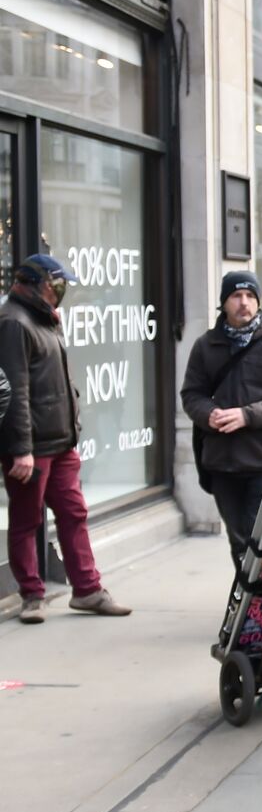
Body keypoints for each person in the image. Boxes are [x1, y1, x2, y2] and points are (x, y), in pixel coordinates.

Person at [0, 255, 131, 624]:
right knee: (27, 521)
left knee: (74, 514)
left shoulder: (44, 318)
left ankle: (88, 590)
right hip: (33, 447)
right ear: (37, 284)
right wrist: (21, 449)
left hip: (60, 442)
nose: (62, 293)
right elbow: (15, 391)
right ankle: (32, 595)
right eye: (57, 285)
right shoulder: (13, 321)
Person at [181, 271, 262, 570]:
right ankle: (246, 598)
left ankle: (260, 601)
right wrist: (207, 414)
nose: (244, 302)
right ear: (224, 303)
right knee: (238, 540)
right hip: (221, 462)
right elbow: (191, 394)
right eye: (236, 296)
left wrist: (246, 415)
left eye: (250, 296)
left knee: (259, 537)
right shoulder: (206, 345)